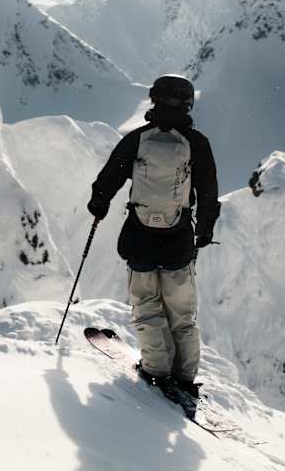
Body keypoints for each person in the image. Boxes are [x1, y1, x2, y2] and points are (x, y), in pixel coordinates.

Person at [87, 74, 221, 400]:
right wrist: (203, 230)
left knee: (147, 307)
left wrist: (99, 204)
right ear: (189, 103)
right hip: (178, 241)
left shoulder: (138, 139)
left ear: (154, 99)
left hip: (139, 237)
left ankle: (156, 369)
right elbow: (208, 191)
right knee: (182, 315)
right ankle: (185, 376)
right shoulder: (197, 143)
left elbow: (110, 176)